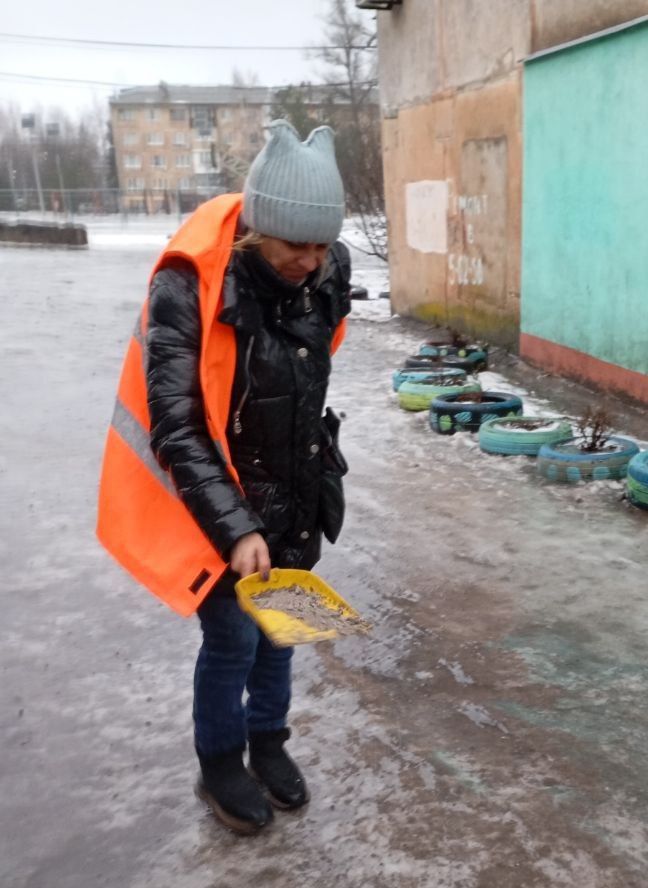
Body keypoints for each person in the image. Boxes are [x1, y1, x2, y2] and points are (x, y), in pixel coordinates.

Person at [97, 120, 351, 834]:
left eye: (321, 244)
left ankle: (269, 743)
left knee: (281, 626)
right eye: (293, 245)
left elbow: (309, 375)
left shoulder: (331, 271)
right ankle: (220, 761)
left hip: (294, 479)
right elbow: (175, 422)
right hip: (214, 493)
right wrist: (237, 526)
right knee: (233, 637)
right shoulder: (189, 283)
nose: (310, 261)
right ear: (254, 229)